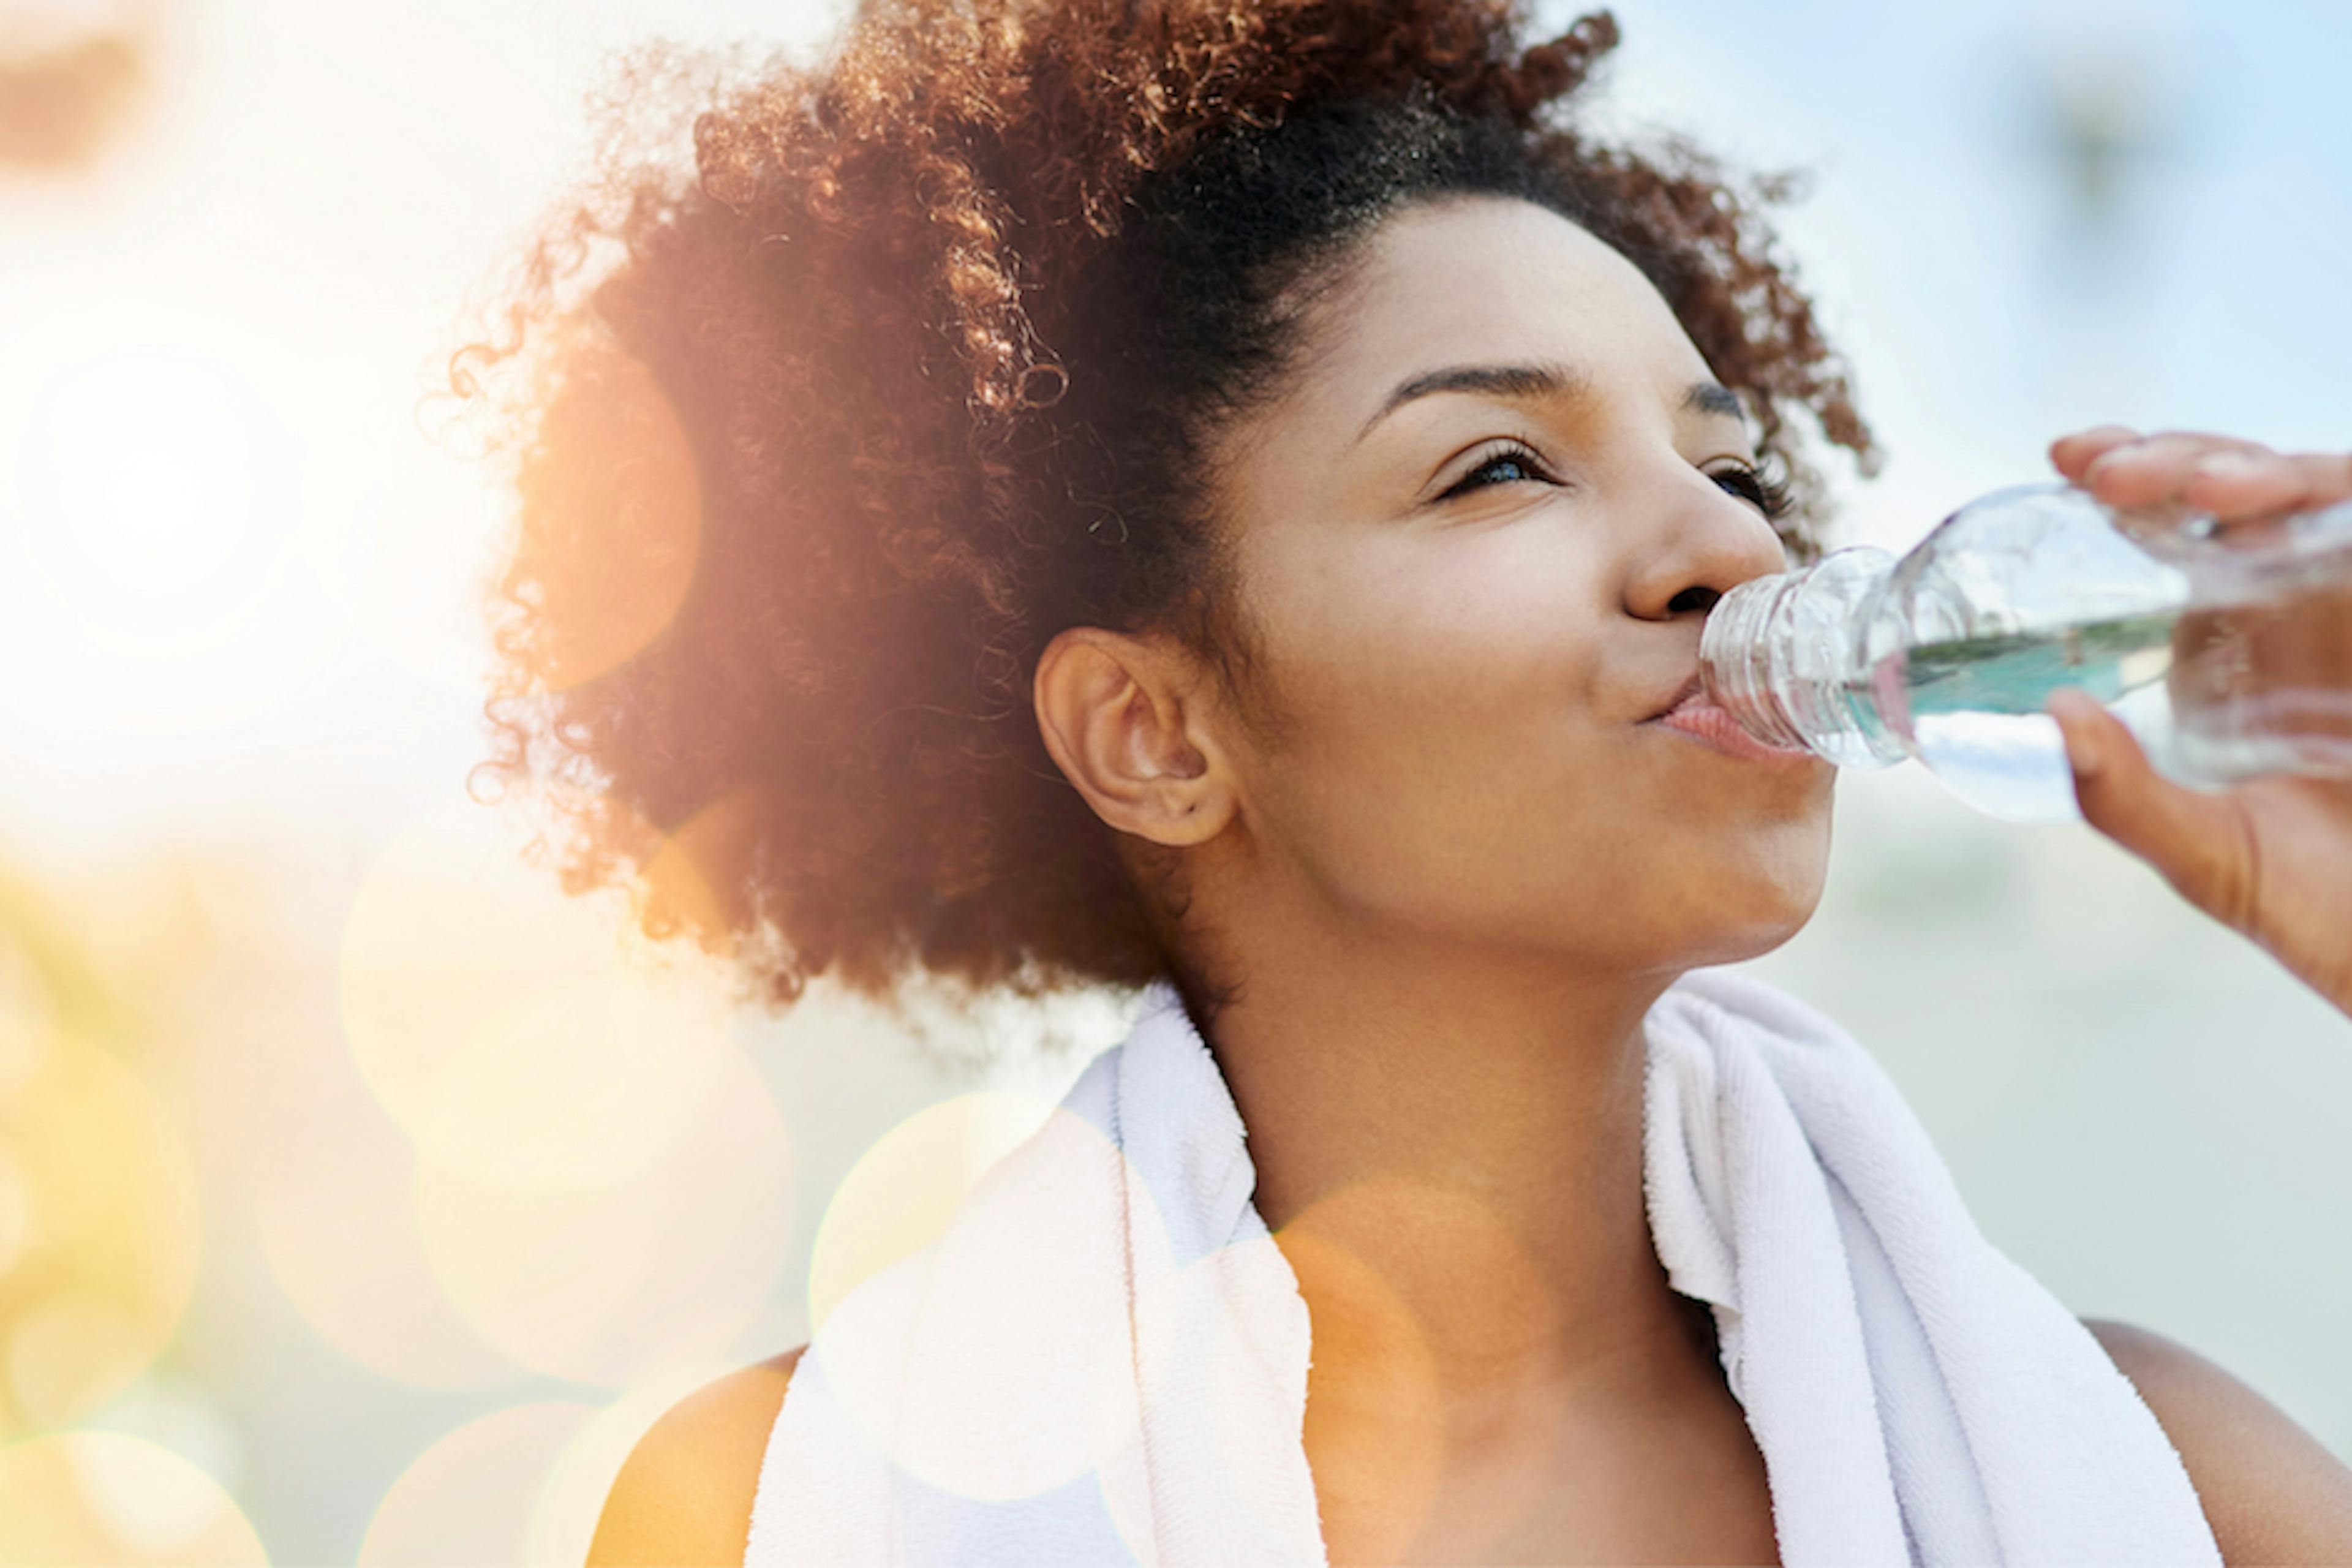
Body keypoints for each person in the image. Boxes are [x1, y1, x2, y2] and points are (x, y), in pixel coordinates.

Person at [456, 0, 2352, 1561]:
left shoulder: (2186, 1493)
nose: (1726, 554)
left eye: (1731, 466)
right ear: (1158, 734)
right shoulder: (775, 1514)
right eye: (1502, 468)